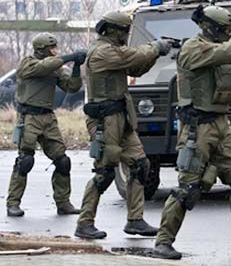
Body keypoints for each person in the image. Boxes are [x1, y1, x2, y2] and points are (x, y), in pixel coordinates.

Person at [152, 5, 231, 260]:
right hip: (197, 127)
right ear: (210, 27)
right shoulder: (193, 48)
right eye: (226, 29)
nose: (230, 33)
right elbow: (219, 53)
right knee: (187, 188)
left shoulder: (227, 50)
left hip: (221, 124)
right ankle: (163, 242)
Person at [74, 12, 172, 239]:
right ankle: (85, 222)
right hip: (105, 121)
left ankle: (135, 220)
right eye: (125, 31)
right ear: (115, 31)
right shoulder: (102, 51)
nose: (127, 35)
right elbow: (133, 56)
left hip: (121, 118)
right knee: (104, 172)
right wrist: (155, 47)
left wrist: (156, 53)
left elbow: (135, 68)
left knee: (140, 165)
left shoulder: (114, 50)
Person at [6, 33, 85, 217]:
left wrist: (76, 66)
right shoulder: (28, 63)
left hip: (48, 118)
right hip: (29, 117)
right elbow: (43, 67)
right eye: (52, 48)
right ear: (41, 49)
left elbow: (72, 87)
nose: (55, 51)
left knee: (63, 161)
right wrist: (68, 57)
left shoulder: (55, 67)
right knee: (25, 160)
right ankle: (13, 203)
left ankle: (63, 203)